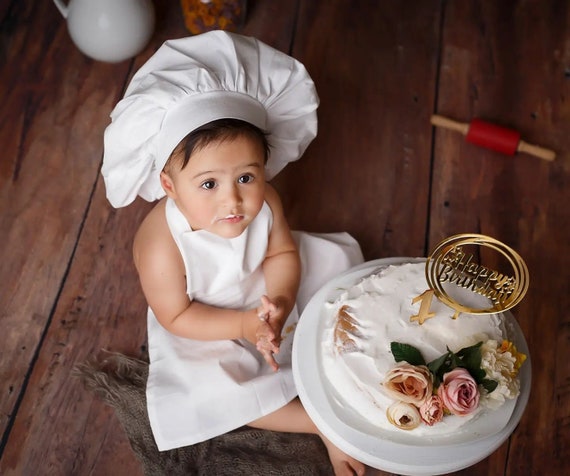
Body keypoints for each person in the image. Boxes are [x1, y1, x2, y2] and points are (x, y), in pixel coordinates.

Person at [102, 31, 365, 476]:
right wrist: (243, 325)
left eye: (247, 177)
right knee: (210, 395)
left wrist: (280, 300)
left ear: (265, 166)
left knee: (341, 293)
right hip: (204, 320)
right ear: (169, 185)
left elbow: (281, 253)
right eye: (208, 184)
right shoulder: (161, 244)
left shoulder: (267, 204)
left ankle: (336, 379)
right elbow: (177, 316)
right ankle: (321, 422)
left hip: (261, 286)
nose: (234, 201)